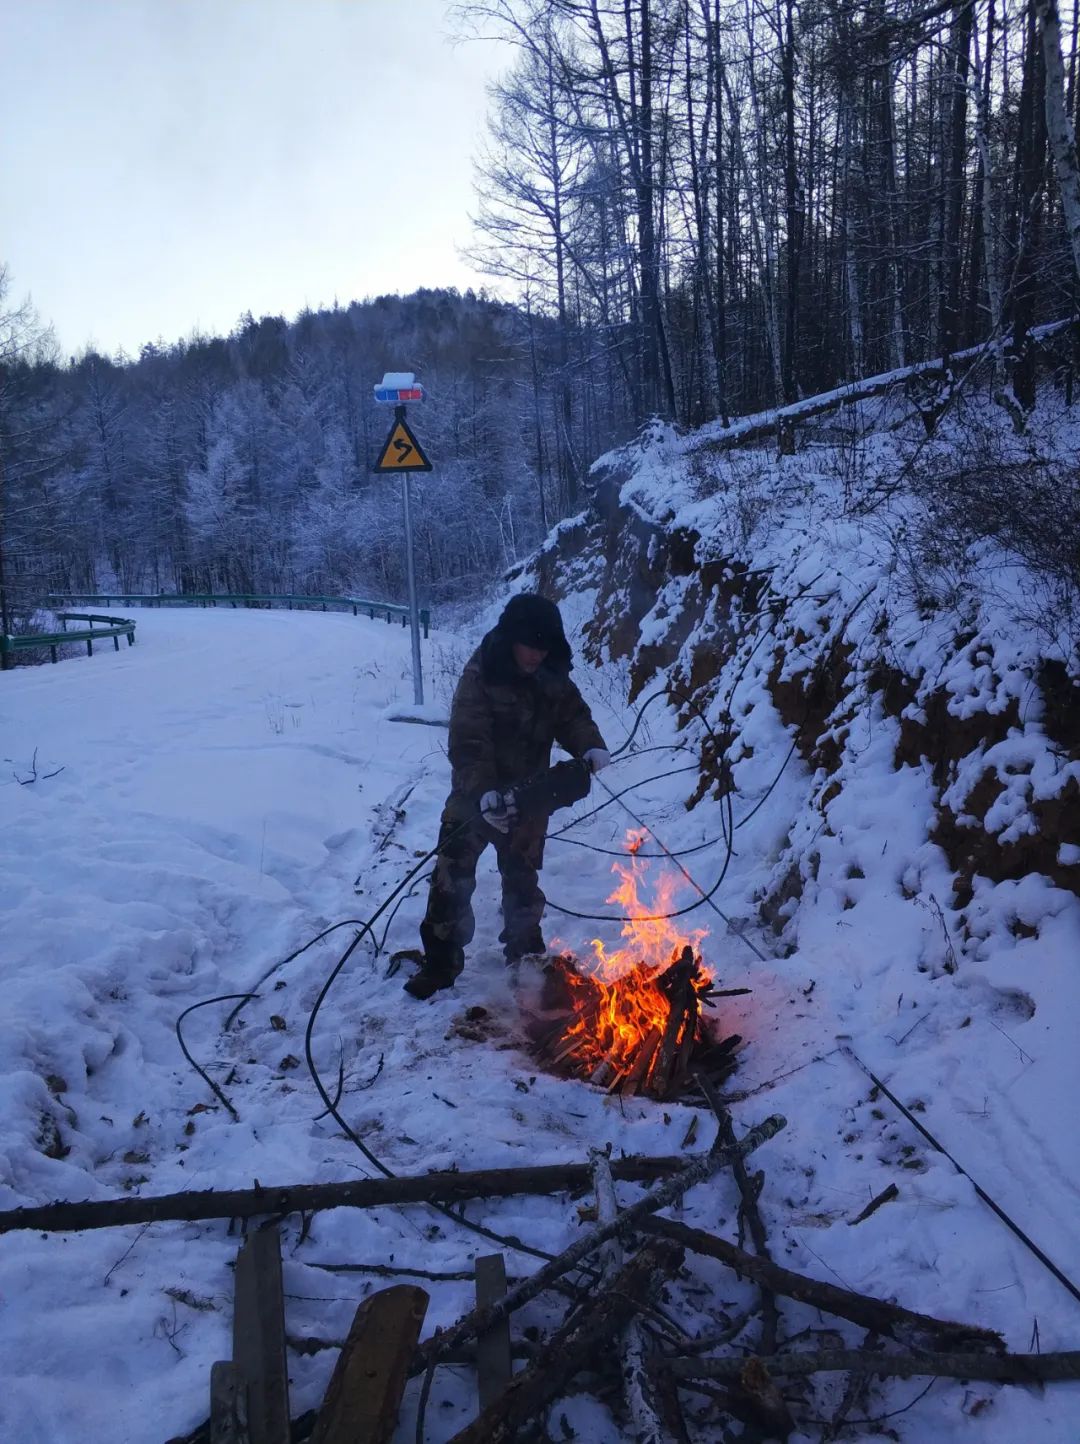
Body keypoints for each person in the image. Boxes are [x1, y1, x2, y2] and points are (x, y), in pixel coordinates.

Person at [405, 593, 610, 1000]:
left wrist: (590, 745)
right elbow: (468, 742)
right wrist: (484, 795)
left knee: (521, 877)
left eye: (544, 646)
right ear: (510, 638)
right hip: (474, 792)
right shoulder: (481, 674)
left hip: (530, 793)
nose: (536, 654)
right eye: (529, 645)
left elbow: (573, 717)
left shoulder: (553, 675)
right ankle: (441, 963)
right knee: (452, 872)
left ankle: (525, 958)